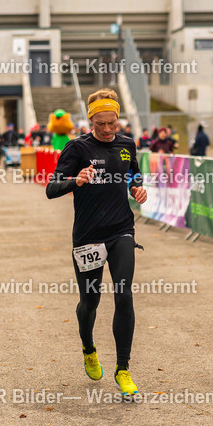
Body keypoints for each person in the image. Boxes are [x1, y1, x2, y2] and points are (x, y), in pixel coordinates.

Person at [46, 89, 147, 397]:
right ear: (91, 120)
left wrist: (137, 189)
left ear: (118, 120)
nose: (107, 130)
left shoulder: (127, 145)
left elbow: (135, 175)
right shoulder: (77, 148)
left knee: (124, 295)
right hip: (88, 236)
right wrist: (75, 181)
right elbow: (51, 188)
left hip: (121, 231)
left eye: (112, 123)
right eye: (101, 123)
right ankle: (89, 347)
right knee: (90, 302)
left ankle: (123, 368)